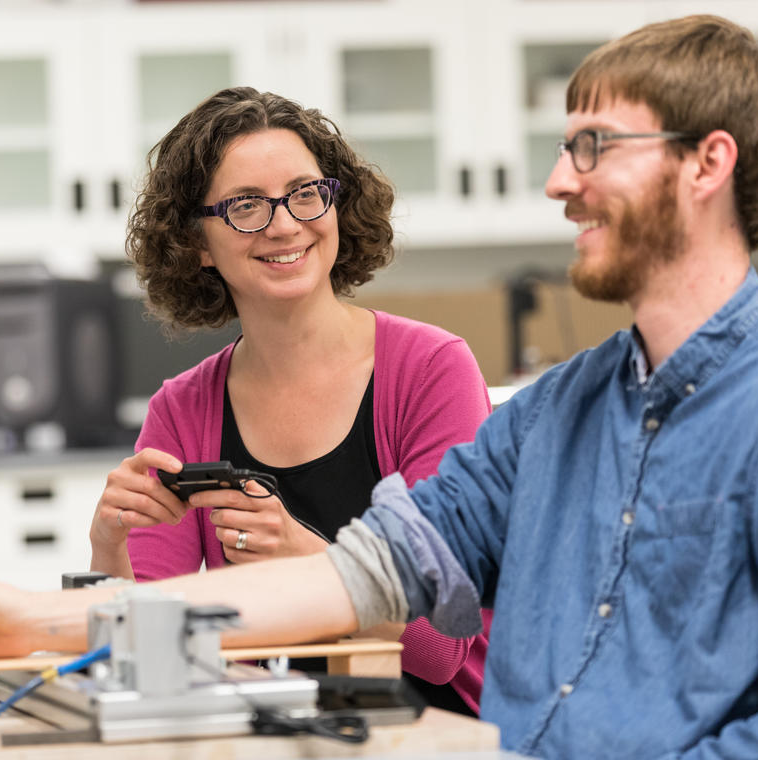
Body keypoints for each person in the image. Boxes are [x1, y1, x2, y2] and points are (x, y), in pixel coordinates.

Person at [0, 16, 758, 759]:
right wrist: (40, 618)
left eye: (593, 148)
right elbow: (354, 577)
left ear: (708, 163)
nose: (559, 184)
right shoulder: (557, 413)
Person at [83, 87, 492, 715]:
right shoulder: (183, 410)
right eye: (246, 205)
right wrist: (109, 547)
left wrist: (300, 553)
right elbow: (140, 651)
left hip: (435, 732)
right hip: (269, 729)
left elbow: (442, 645)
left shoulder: (430, 371)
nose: (284, 224)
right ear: (196, 243)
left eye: (305, 192)